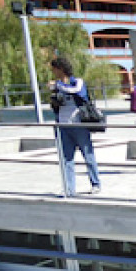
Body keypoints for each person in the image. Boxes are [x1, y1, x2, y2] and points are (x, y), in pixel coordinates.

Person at [49, 56, 102, 196]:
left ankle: (95, 183)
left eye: (54, 69)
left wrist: (59, 86)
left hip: (79, 125)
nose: (53, 72)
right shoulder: (57, 86)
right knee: (66, 159)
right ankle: (69, 188)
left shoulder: (77, 82)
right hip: (63, 126)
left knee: (88, 155)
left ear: (61, 69)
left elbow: (77, 91)